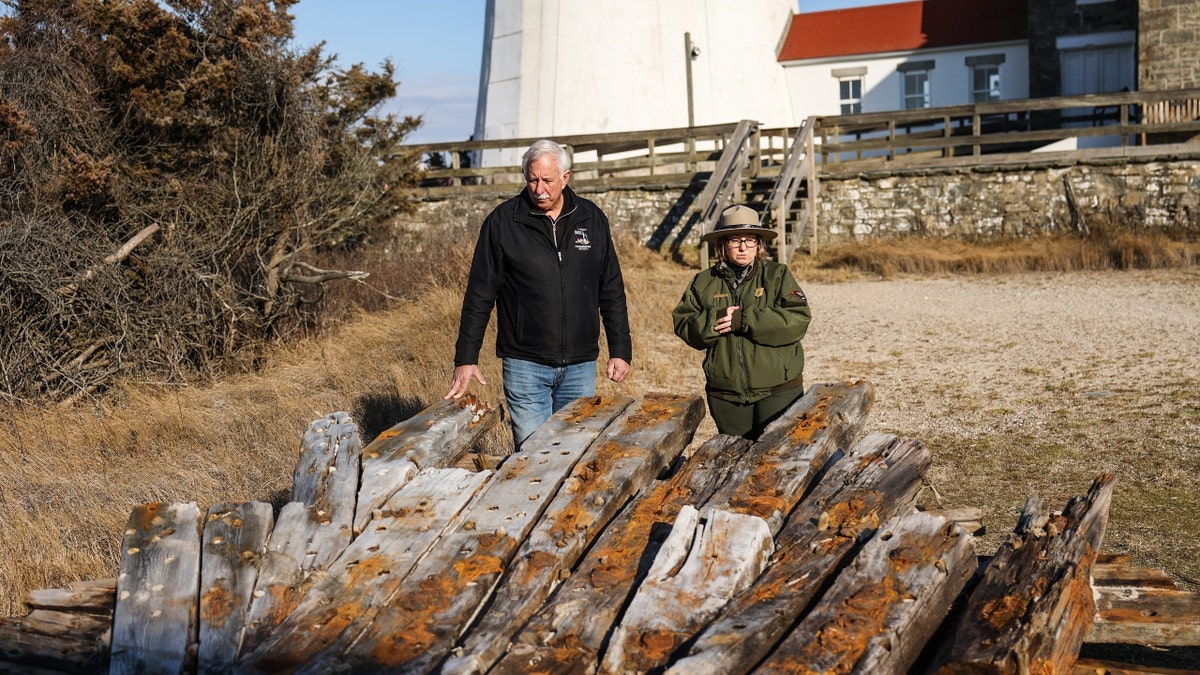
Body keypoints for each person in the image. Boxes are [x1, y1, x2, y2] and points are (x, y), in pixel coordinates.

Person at [445, 139, 632, 449]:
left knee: (573, 453)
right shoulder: (503, 222)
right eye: (532, 179)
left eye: (547, 180)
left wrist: (620, 349)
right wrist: (466, 358)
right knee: (534, 455)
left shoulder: (591, 219)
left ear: (565, 177)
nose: (539, 188)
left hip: (580, 365)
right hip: (525, 365)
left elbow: (611, 288)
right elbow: (479, 294)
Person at [671, 204, 811, 440]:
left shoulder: (777, 275)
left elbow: (798, 319)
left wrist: (744, 318)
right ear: (723, 243)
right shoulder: (703, 282)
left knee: (778, 457)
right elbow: (683, 323)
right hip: (726, 395)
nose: (743, 247)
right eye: (736, 240)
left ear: (759, 244)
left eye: (750, 239)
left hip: (779, 390)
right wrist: (714, 320)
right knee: (734, 460)